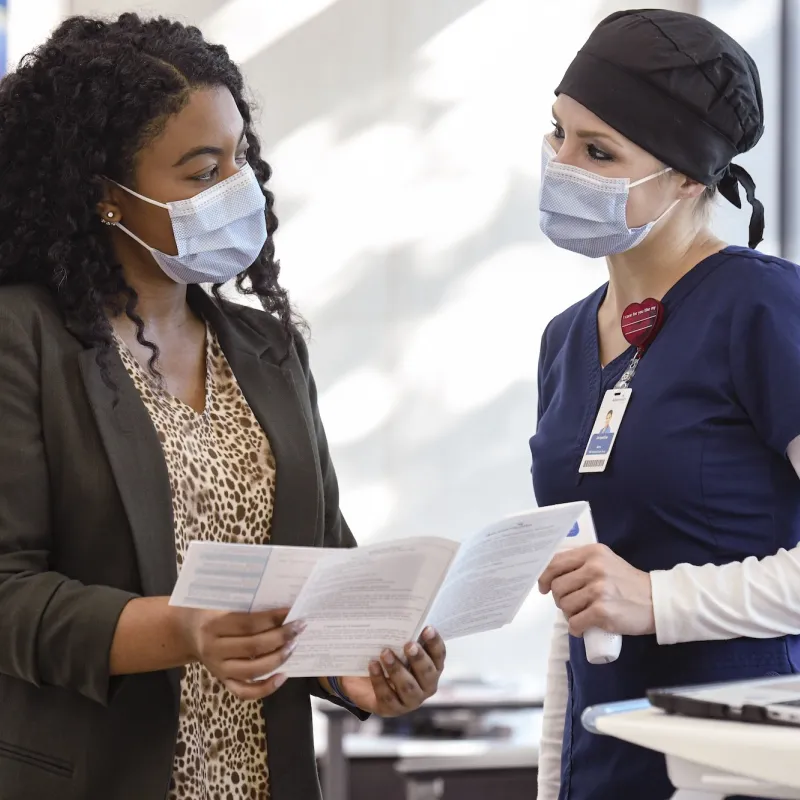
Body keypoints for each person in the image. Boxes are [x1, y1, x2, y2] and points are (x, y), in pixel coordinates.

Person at [0, 14, 448, 800]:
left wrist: (358, 670)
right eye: (202, 172)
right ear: (107, 197)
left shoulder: (268, 350)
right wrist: (182, 628)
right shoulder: (22, 339)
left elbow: (321, 562)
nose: (238, 188)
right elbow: (8, 589)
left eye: (240, 158)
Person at [530, 10, 800, 800]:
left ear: (689, 176)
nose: (560, 165)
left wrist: (660, 599)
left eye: (598, 151)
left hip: (742, 765)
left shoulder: (763, 308)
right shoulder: (565, 338)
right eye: (558, 134)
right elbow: (580, 600)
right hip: (605, 764)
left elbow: (629, 593)